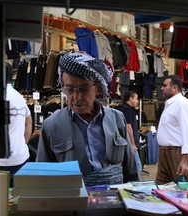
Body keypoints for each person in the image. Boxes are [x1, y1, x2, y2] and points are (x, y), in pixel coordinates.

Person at [36, 52, 140, 186]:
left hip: (116, 200)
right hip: (72, 203)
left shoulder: (117, 118)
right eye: (70, 90)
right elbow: (43, 176)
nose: (77, 97)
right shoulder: (52, 125)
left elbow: (130, 169)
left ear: (97, 88)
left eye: (83, 89)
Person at [156, 75, 188, 185]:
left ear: (174, 88)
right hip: (164, 153)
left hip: (178, 153)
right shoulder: (169, 105)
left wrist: (185, 159)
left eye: (165, 85)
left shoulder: (183, 104)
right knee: (162, 187)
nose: (162, 88)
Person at [0, 62, 33, 187]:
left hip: (1, 161)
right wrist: (23, 143)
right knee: (17, 199)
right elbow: (29, 122)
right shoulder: (19, 97)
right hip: (21, 157)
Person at [117, 90, 142, 176]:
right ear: (130, 99)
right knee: (137, 166)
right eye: (136, 99)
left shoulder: (120, 108)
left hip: (122, 142)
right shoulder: (128, 110)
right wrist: (133, 144)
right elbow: (128, 127)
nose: (137, 101)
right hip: (129, 143)